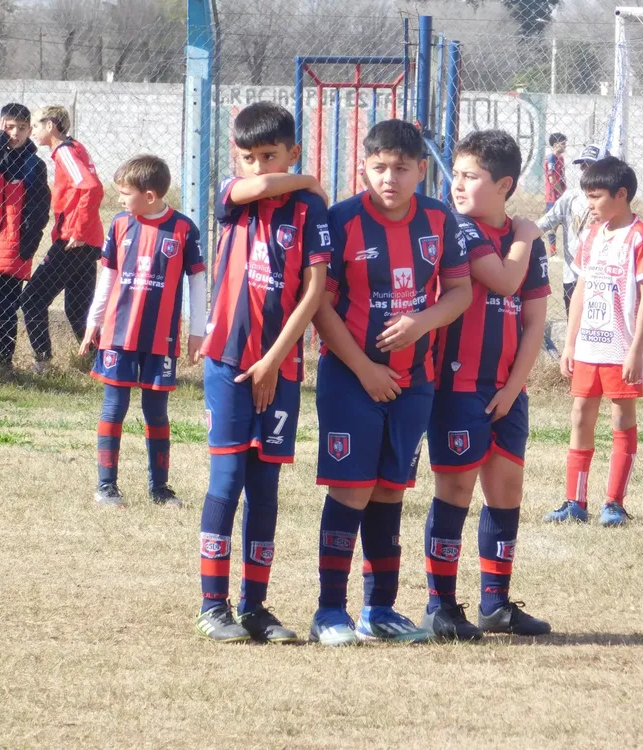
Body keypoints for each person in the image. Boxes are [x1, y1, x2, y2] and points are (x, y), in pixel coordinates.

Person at [309, 119, 472, 646]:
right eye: (379, 167)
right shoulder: (341, 221)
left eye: (402, 168)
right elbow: (322, 308)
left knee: (389, 489)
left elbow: (460, 292)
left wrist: (422, 323)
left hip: (415, 381)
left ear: (422, 170)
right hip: (351, 378)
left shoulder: (439, 220)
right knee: (351, 488)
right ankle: (329, 610)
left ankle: (379, 609)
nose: (390, 178)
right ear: (364, 166)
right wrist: (365, 368)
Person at [194, 102, 331, 644]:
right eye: (248, 158)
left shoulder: (310, 214)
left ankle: (255, 606)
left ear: (291, 150)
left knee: (265, 486)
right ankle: (212, 606)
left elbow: (314, 291)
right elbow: (249, 188)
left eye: (270, 157)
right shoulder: (235, 198)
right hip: (227, 363)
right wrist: (308, 177)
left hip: (283, 366)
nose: (258, 168)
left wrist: (274, 360)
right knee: (226, 479)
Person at [423, 130, 552, 641]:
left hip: (505, 390)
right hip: (458, 386)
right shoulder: (461, 230)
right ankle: (440, 605)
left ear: (504, 185)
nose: (457, 184)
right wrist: (526, 233)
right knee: (454, 488)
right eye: (454, 174)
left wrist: (513, 388)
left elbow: (534, 321)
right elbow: (502, 281)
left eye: (470, 177)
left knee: (506, 488)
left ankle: (495, 604)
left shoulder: (527, 244)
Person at [79, 155, 206, 507]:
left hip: (160, 338)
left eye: (124, 192)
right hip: (118, 337)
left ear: (149, 195)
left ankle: (160, 489)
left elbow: (197, 280)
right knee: (113, 408)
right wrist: (94, 321)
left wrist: (198, 331)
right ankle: (106, 486)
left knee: (157, 412)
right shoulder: (119, 224)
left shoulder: (183, 229)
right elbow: (108, 276)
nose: (119, 199)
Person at [544, 156, 643, 528]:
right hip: (588, 348)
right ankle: (575, 501)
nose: (589, 204)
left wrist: (635, 351)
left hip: (619, 349)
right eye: (587, 196)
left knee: (622, 418)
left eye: (595, 196)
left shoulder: (641, 237)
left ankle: (614, 503)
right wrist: (569, 343)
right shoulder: (592, 235)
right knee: (580, 415)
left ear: (621, 194)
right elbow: (579, 288)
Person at [21, 105, 104, 371]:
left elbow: (91, 187)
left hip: (74, 241)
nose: (32, 130)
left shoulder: (65, 151)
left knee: (32, 298)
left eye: (35, 125)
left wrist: (77, 230)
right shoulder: (73, 148)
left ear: (51, 125)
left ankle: (43, 362)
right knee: (78, 309)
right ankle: (103, 363)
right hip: (86, 241)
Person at [0, 103, 50, 366]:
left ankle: (3, 361)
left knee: (6, 308)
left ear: (30, 130)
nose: (15, 133)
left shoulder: (33, 165)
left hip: (13, 247)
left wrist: (28, 244)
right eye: (9, 127)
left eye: (22, 128)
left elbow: (39, 209)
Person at [537, 144, 601, 315]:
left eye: (592, 166)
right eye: (583, 166)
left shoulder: (612, 202)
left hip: (600, 278)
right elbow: (544, 223)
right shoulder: (571, 197)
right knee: (573, 325)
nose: (586, 170)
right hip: (572, 275)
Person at [544, 132, 567, 256]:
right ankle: (552, 251)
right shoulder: (551, 159)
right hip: (553, 197)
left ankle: (562, 250)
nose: (565, 146)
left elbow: (562, 177)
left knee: (563, 222)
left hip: (562, 195)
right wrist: (562, 193)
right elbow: (552, 180)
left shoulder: (561, 159)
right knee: (553, 224)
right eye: (562, 144)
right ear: (555, 144)